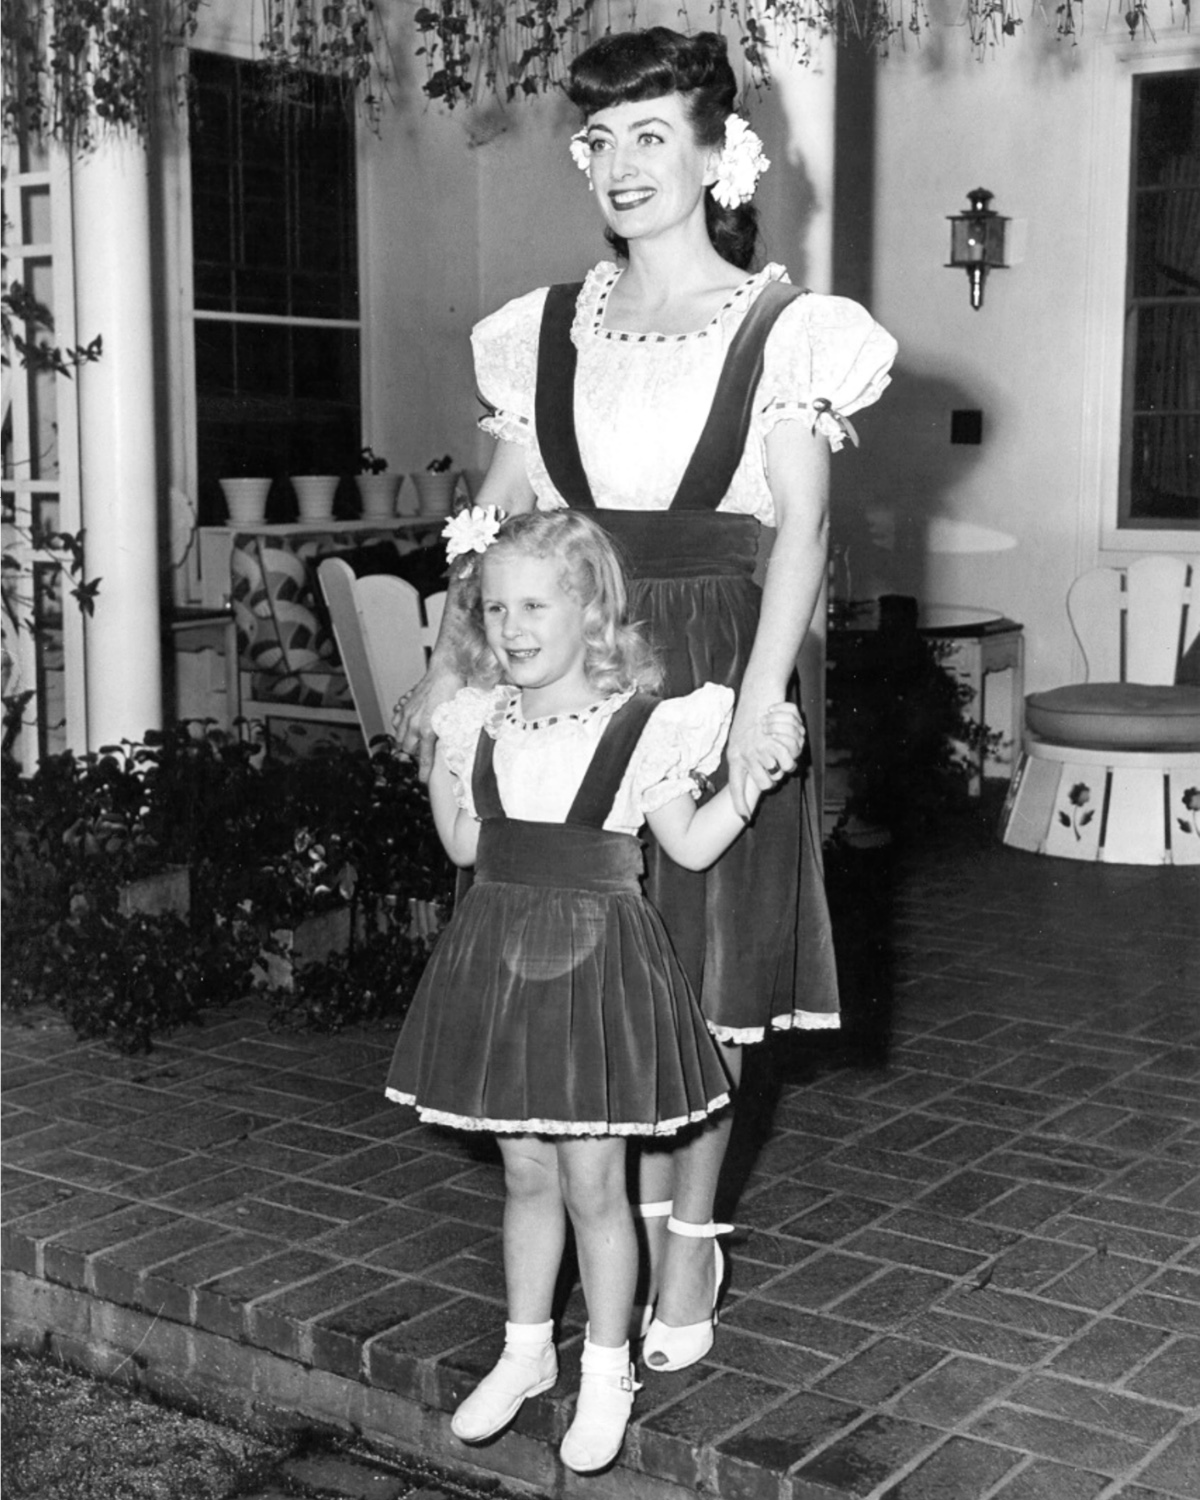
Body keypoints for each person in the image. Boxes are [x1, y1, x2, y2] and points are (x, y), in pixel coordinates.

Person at [395, 27, 897, 1376]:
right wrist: (450, 671)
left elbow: (799, 531)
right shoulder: (543, 330)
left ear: (719, 154)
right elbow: (496, 528)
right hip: (568, 682)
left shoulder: (786, 331)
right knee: (585, 958)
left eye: (653, 135)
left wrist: (756, 703)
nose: (622, 164)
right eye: (601, 139)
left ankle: (689, 1245)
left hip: (714, 660)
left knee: (705, 965)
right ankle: (577, 1270)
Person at [385, 508, 801, 1472]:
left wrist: (749, 782)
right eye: (496, 609)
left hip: (596, 977)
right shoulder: (479, 721)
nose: (512, 627)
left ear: (591, 612)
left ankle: (607, 1369)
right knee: (526, 1176)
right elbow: (464, 844)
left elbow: (689, 845)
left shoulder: (639, 727)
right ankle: (526, 1350)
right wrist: (440, 760)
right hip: (500, 970)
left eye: (536, 605)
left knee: (593, 1186)